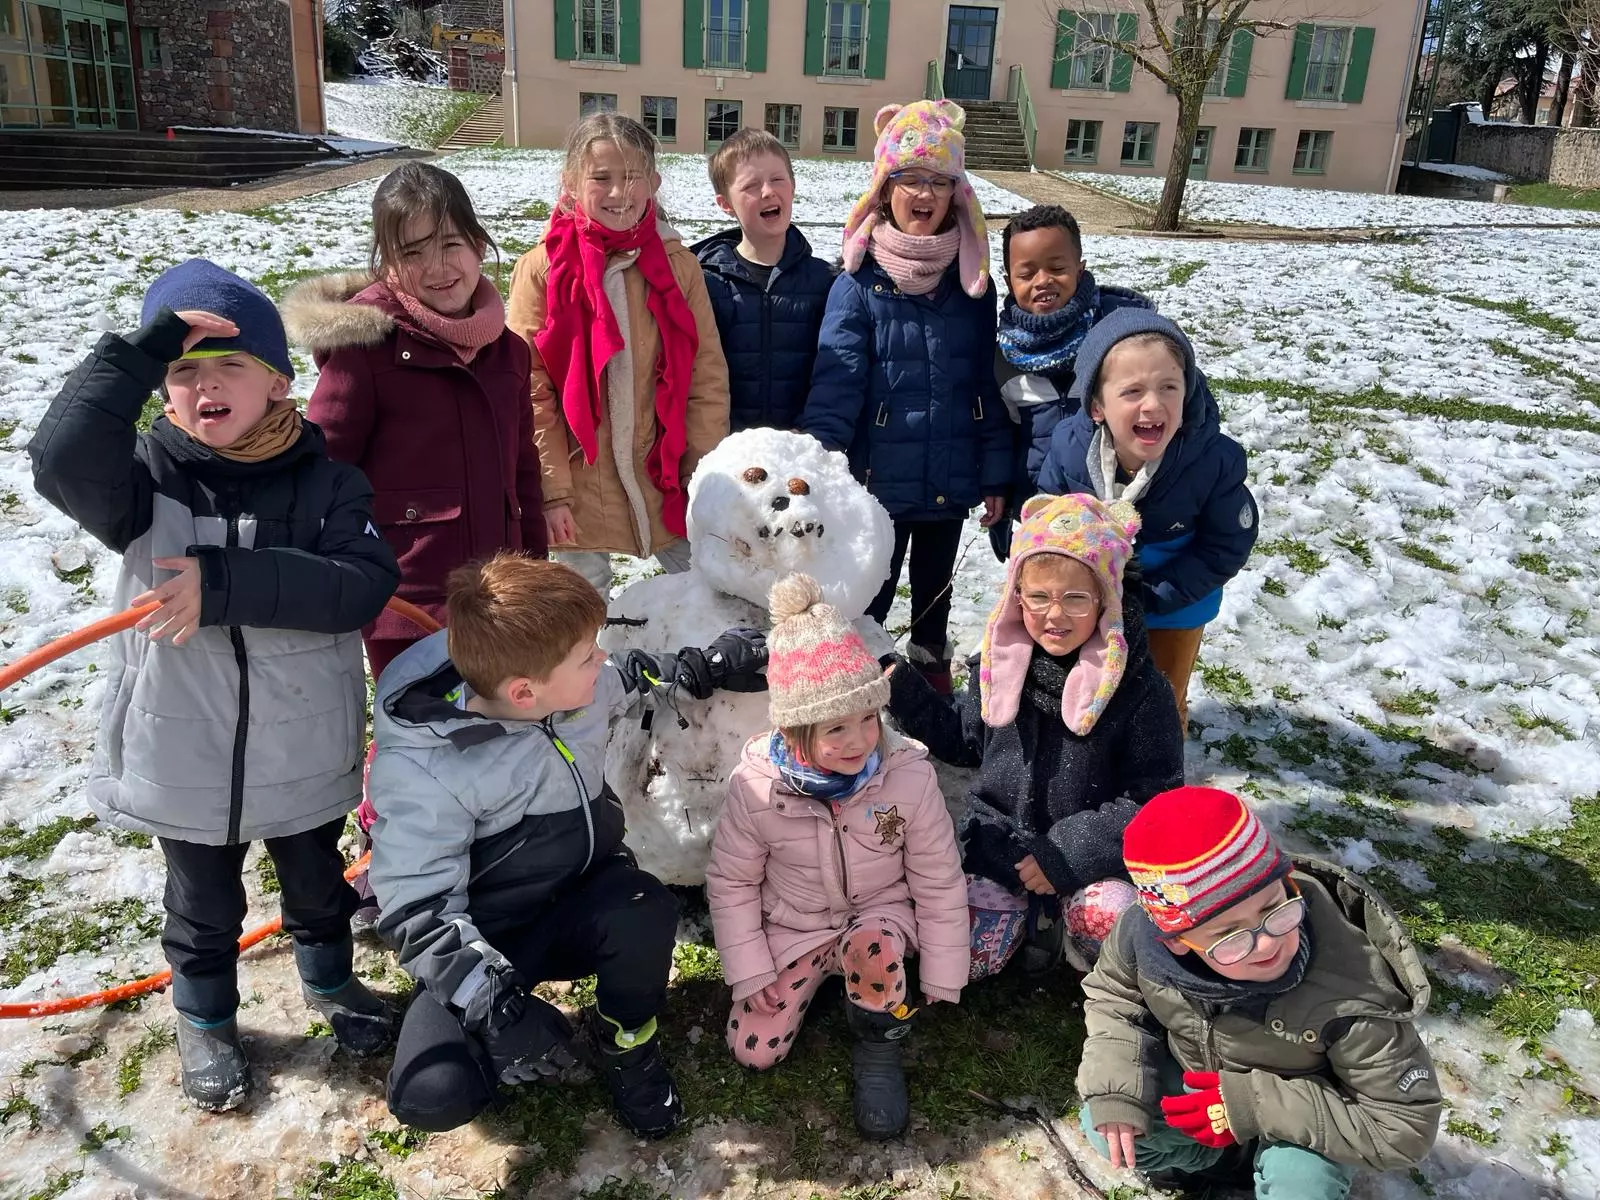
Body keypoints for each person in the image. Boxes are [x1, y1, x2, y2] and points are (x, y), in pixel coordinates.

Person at [27, 260, 401, 1110]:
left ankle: (331, 983)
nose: (206, 386)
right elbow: (57, 458)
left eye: (228, 365)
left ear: (277, 381)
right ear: (161, 394)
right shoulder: (139, 484)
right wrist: (140, 349)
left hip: (303, 743)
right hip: (184, 749)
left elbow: (361, 582)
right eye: (184, 372)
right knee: (201, 909)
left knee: (317, 887)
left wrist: (224, 581)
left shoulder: (329, 482)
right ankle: (205, 1020)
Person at [370, 552, 767, 1138]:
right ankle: (504, 1046)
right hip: (492, 934)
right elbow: (418, 912)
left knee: (644, 909)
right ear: (525, 692)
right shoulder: (427, 770)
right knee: (432, 1094)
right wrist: (498, 1009)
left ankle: (626, 1044)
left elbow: (631, 675)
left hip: (582, 896)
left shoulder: (569, 686)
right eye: (587, 655)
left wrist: (702, 666)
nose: (600, 660)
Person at [1079, 787, 1441, 1199]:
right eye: (1229, 937)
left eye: (1275, 909)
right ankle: (1220, 1165)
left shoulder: (1349, 986)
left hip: (1306, 1117)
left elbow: (1405, 1127)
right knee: (1107, 1120)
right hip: (1203, 1090)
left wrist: (1251, 1105)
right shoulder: (1138, 938)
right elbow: (1114, 1000)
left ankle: (1272, 1170)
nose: (1267, 944)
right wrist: (1116, 1091)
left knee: (1303, 1186)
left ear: (1288, 883)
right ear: (1176, 941)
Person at [707, 573, 966, 1140]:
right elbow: (732, 883)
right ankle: (817, 986)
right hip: (793, 928)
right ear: (795, 732)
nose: (858, 740)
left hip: (879, 920)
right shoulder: (758, 789)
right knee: (752, 1052)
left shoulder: (908, 776)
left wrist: (946, 965)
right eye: (836, 728)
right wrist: (749, 968)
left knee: (873, 950)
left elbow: (938, 876)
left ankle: (877, 1044)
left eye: (868, 718)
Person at [887, 494, 1183, 979]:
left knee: (1119, 932)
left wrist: (1068, 853)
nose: (1055, 615)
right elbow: (964, 739)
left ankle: (1067, 934)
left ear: (1106, 600)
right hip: (1002, 848)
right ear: (1016, 597)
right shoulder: (1003, 668)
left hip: (1093, 864)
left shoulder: (1142, 690)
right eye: (1039, 597)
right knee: (964, 958)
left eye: (1075, 599)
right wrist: (900, 687)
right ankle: (1021, 921)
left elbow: (1154, 799)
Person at [288, 161, 545, 683]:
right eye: (412, 252)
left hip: (500, 592)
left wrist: (534, 570)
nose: (437, 266)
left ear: (478, 243)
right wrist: (347, 567)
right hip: (407, 600)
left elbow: (523, 469)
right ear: (388, 263)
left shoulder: (510, 352)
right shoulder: (367, 351)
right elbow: (324, 466)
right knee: (416, 734)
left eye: (450, 243)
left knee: (495, 728)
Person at [801, 99, 1011, 695]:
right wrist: (824, 468)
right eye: (910, 179)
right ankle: (860, 676)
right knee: (874, 585)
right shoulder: (858, 283)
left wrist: (994, 473)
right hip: (877, 480)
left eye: (939, 182)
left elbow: (987, 384)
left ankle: (929, 667)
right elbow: (836, 380)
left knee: (936, 586)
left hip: (949, 475)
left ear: (957, 194)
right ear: (884, 188)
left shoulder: (973, 286)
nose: (924, 194)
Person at [508, 112, 729, 596]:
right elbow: (529, 390)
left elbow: (705, 375)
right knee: (577, 611)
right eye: (601, 178)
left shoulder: (678, 266)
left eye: (631, 177)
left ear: (653, 181)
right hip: (578, 485)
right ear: (571, 182)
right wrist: (552, 492)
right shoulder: (541, 269)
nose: (618, 193)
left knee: (710, 591)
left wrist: (701, 473)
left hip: (665, 473)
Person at [1038, 310, 1258, 729]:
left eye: (1168, 387)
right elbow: (1048, 520)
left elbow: (1226, 544)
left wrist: (1153, 595)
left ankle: (1160, 774)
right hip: (1089, 601)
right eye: (1133, 391)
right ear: (1097, 406)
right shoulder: (1070, 448)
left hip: (1175, 605)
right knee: (1088, 692)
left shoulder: (1211, 460)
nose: (1153, 404)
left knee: (1160, 697)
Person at [989, 204, 1154, 559]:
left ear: (1079, 270)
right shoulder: (1005, 357)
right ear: (1009, 281)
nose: (1042, 281)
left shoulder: (1120, 337)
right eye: (1026, 273)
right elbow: (1003, 435)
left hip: (1121, 513)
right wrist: (1003, 493)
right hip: (1044, 514)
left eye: (1058, 268)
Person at [693, 128, 835, 432]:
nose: (768, 191)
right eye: (751, 186)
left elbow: (833, 374)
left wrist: (810, 432)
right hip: (727, 451)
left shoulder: (825, 282)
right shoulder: (706, 283)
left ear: (793, 187)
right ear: (725, 203)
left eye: (777, 180)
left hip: (801, 452)